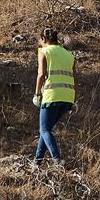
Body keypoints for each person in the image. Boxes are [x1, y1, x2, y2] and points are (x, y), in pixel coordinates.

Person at [32, 28, 75, 167]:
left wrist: (37, 94)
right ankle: (37, 162)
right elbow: (75, 77)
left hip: (52, 95)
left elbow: (41, 75)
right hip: (68, 97)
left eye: (40, 41)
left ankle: (57, 159)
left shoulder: (44, 51)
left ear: (44, 39)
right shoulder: (69, 55)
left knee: (44, 130)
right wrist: (74, 100)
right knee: (46, 129)